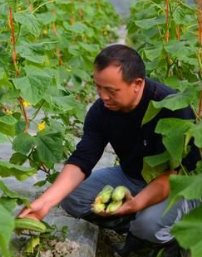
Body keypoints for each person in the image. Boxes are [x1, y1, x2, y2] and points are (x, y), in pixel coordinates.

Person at [18, 44, 201, 257]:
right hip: (131, 176)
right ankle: (138, 224)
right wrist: (44, 203)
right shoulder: (101, 111)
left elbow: (175, 175)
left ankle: (167, 237)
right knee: (72, 197)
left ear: (137, 84)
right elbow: (82, 159)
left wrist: (136, 204)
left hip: (179, 185)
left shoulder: (173, 107)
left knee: (148, 225)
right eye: (98, 87)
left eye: (112, 90)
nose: (103, 96)